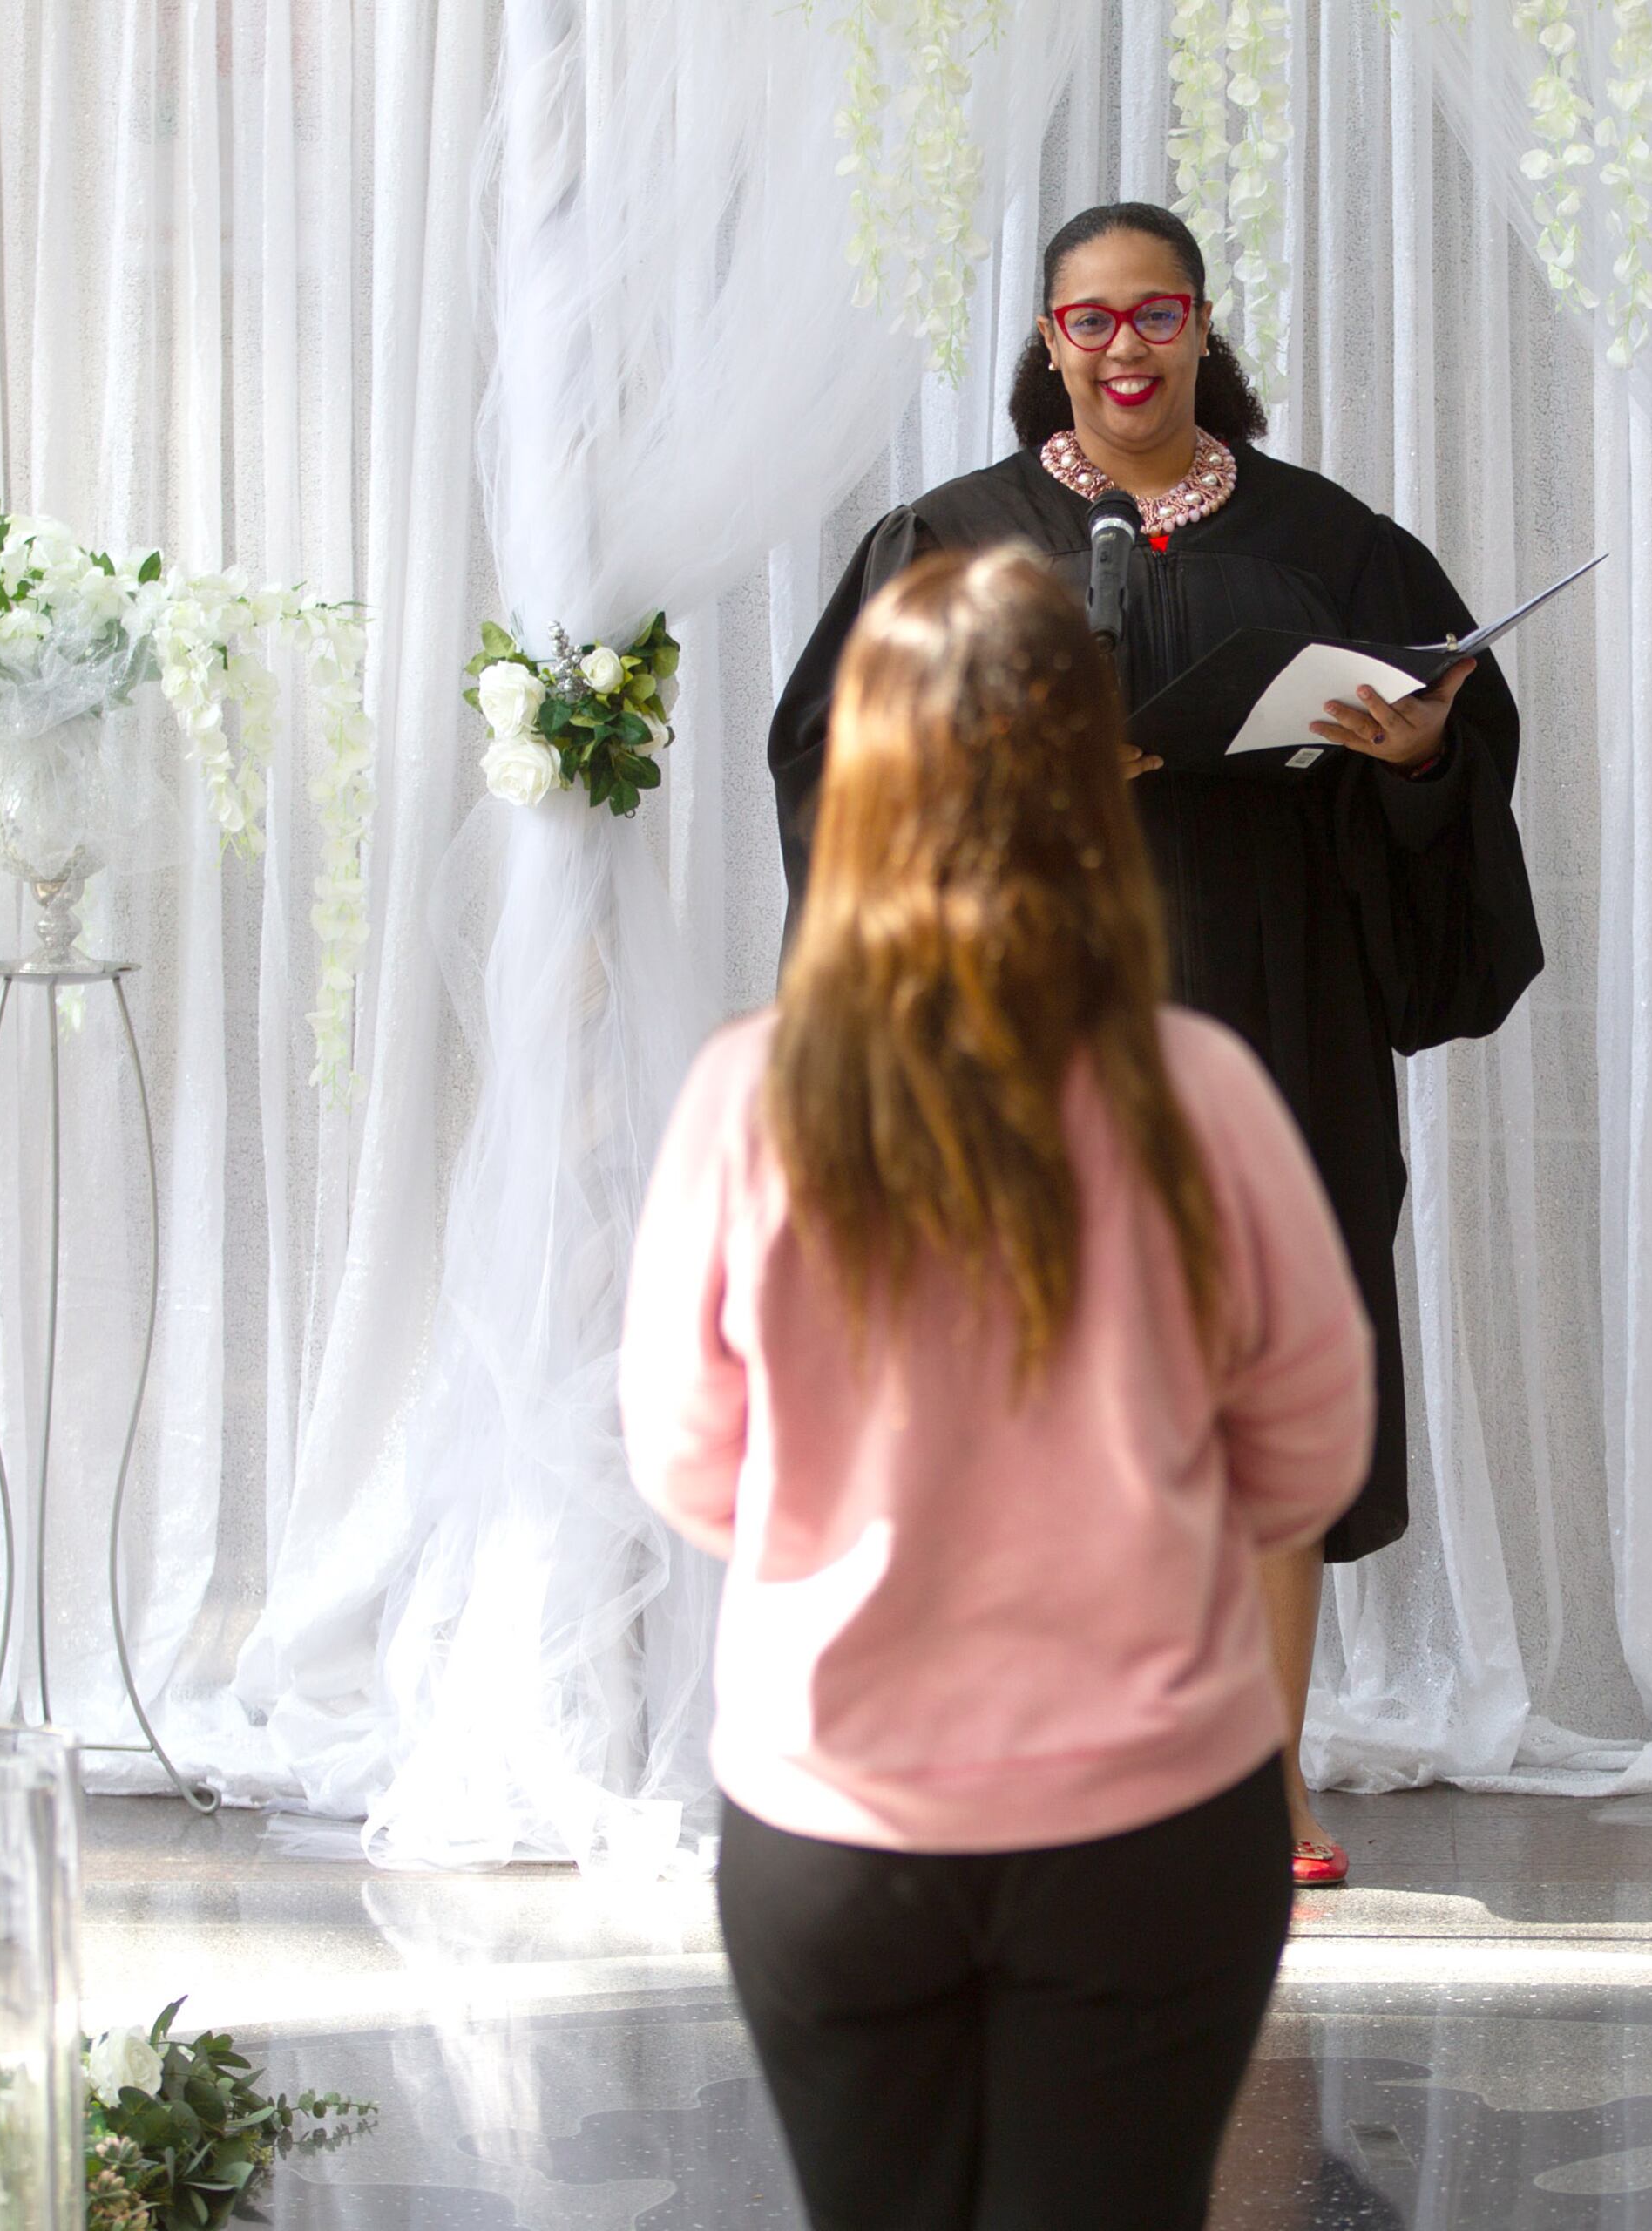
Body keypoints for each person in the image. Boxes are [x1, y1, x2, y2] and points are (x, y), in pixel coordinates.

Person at [767, 201, 1543, 1889]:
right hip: (1028, 1016)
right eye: (1091, 321)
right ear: (1048, 342)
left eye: (1156, 315)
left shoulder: (1334, 544)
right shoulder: (947, 539)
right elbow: (837, 761)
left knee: (1258, 1398)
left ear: (1202, 330)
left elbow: (1461, 747)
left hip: (1274, 1011)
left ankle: (1264, 1791)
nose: (1126, 349)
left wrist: (1417, 756)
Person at [620, 546, 1378, 2229]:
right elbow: (1313, 1450)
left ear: (861, 787)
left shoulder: (749, 1097)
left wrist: (857, 1510)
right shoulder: (1204, 1091)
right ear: (1089, 784)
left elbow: (685, 1459)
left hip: (836, 1826)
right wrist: (1131, 1523)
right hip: (1155, 1828)